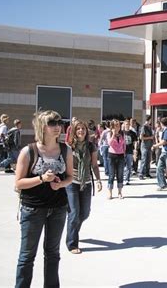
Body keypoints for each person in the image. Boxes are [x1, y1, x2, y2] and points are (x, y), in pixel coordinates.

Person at [14, 110, 73, 288]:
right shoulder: (28, 151)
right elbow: (18, 183)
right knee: (27, 256)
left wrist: (60, 184)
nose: (58, 127)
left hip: (58, 208)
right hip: (33, 209)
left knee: (53, 254)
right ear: (42, 126)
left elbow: (70, 177)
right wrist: (41, 179)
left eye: (59, 122)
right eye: (52, 123)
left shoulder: (65, 149)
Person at [66, 120, 102, 254]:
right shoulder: (69, 146)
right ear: (74, 131)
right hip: (71, 182)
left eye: (83, 129)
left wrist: (98, 180)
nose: (81, 131)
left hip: (86, 182)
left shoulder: (91, 146)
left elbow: (94, 165)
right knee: (74, 213)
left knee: (84, 213)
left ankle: (72, 229)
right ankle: (72, 243)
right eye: (78, 129)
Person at [152, 117, 167, 191]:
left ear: (161, 123)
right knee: (159, 168)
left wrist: (155, 146)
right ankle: (162, 184)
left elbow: (164, 141)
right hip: (164, 152)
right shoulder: (165, 130)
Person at [107, 119, 125, 199]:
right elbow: (109, 143)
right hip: (112, 156)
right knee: (111, 175)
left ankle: (120, 192)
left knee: (120, 174)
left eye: (119, 125)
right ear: (113, 126)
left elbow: (124, 144)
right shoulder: (109, 133)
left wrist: (124, 151)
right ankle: (110, 193)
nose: (118, 127)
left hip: (120, 155)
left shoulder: (122, 134)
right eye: (116, 125)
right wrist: (113, 134)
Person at [138, 115, 154, 179]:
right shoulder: (143, 127)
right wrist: (150, 137)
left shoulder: (149, 127)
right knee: (143, 160)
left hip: (149, 145)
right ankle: (141, 174)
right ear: (149, 119)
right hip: (144, 146)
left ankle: (147, 173)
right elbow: (141, 137)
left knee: (148, 160)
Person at [123, 119, 137, 185]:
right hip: (122, 151)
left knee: (129, 166)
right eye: (126, 124)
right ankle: (121, 178)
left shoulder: (132, 133)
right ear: (124, 125)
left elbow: (135, 142)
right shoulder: (121, 133)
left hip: (130, 151)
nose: (127, 126)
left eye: (128, 124)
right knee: (122, 166)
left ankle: (127, 179)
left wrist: (135, 149)